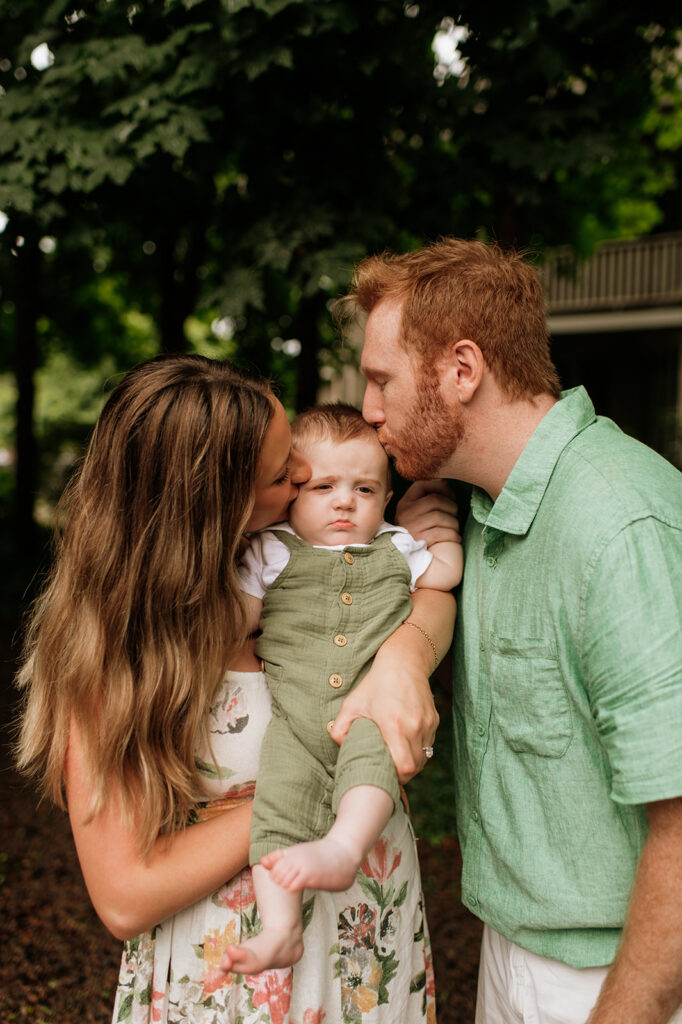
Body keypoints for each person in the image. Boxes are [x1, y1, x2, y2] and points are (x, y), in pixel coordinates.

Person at [14, 353, 456, 1024]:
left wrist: (403, 659)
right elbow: (126, 895)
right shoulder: (122, 652)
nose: (309, 478)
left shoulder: (322, 567)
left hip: (366, 945)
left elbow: (432, 600)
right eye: (286, 473)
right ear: (216, 499)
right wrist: (311, 790)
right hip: (242, 978)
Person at [334, 238, 682, 1024]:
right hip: (514, 950)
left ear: (463, 370)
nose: (369, 409)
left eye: (382, 378)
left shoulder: (620, 526)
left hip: (615, 980)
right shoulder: (485, 509)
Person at [223, 403, 462, 975]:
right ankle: (279, 928)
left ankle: (343, 850)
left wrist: (439, 521)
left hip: (367, 705)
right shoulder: (270, 550)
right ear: (293, 493)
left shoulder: (398, 545)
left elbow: (445, 575)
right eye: (323, 485)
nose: (344, 500)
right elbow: (237, 619)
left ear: (385, 498)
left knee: (371, 756)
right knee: (276, 806)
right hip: (294, 722)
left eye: (364, 488)